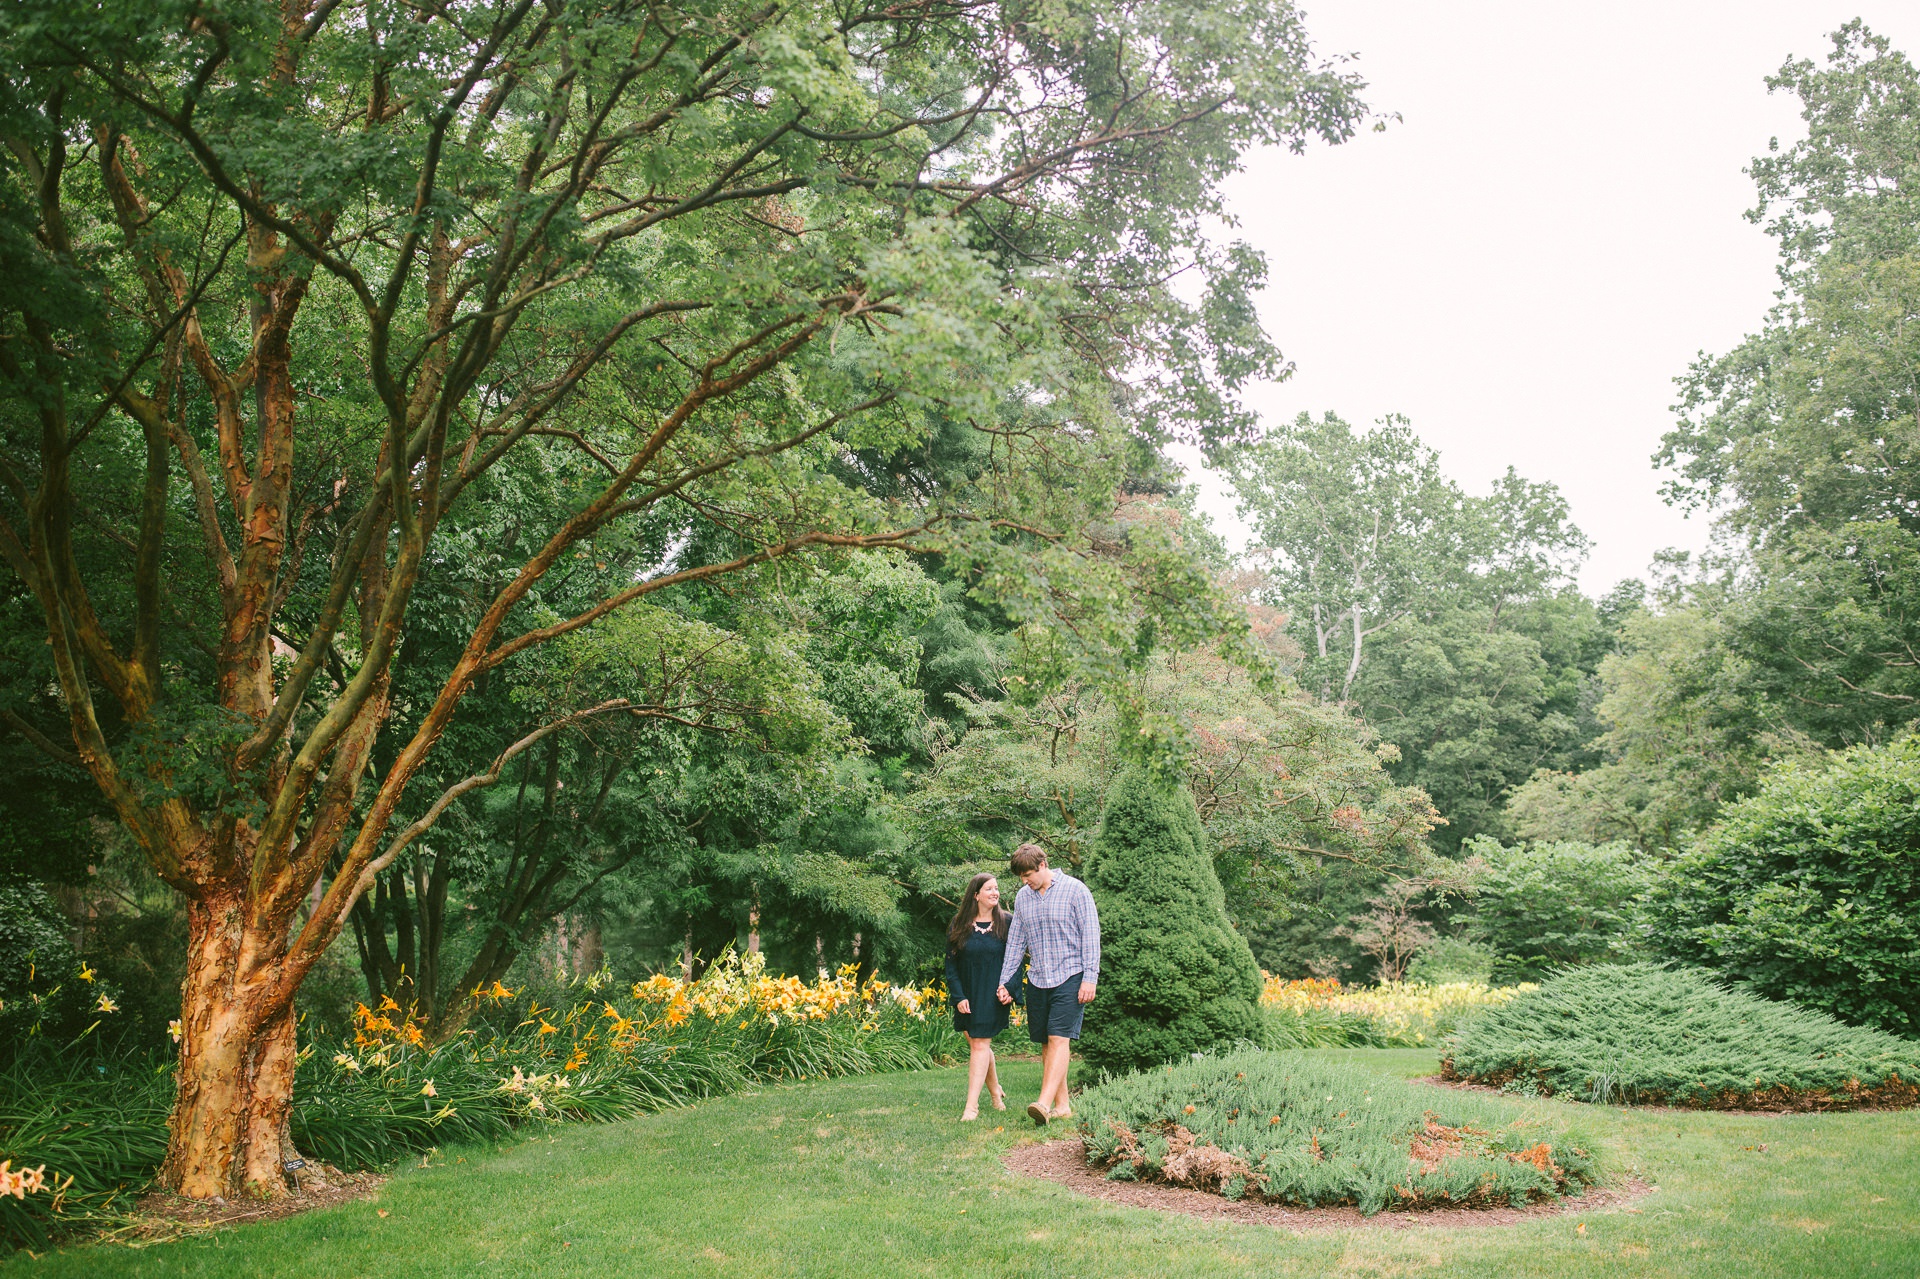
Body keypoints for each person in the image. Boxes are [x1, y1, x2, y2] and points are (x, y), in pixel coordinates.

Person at [996, 843, 1099, 1125]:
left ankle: (1043, 1103)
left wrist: (1090, 977)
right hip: (1039, 978)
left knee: (1059, 1038)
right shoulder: (1023, 897)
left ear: (1043, 866)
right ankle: (1062, 1106)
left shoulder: (1076, 890)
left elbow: (1091, 936)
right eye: (1021, 878)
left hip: (1071, 975)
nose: (1025, 881)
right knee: (1045, 1042)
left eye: (1028, 875)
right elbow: (1016, 942)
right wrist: (1006, 980)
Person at [944, 873, 1021, 1121]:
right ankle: (996, 1093)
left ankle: (971, 1107)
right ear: (976, 895)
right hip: (967, 995)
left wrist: (1009, 987)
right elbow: (951, 965)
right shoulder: (959, 923)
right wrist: (958, 996)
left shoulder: (1007, 923)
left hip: (992, 993)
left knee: (979, 1045)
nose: (995, 893)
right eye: (989, 889)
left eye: (996, 888)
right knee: (979, 1046)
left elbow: (1017, 959)